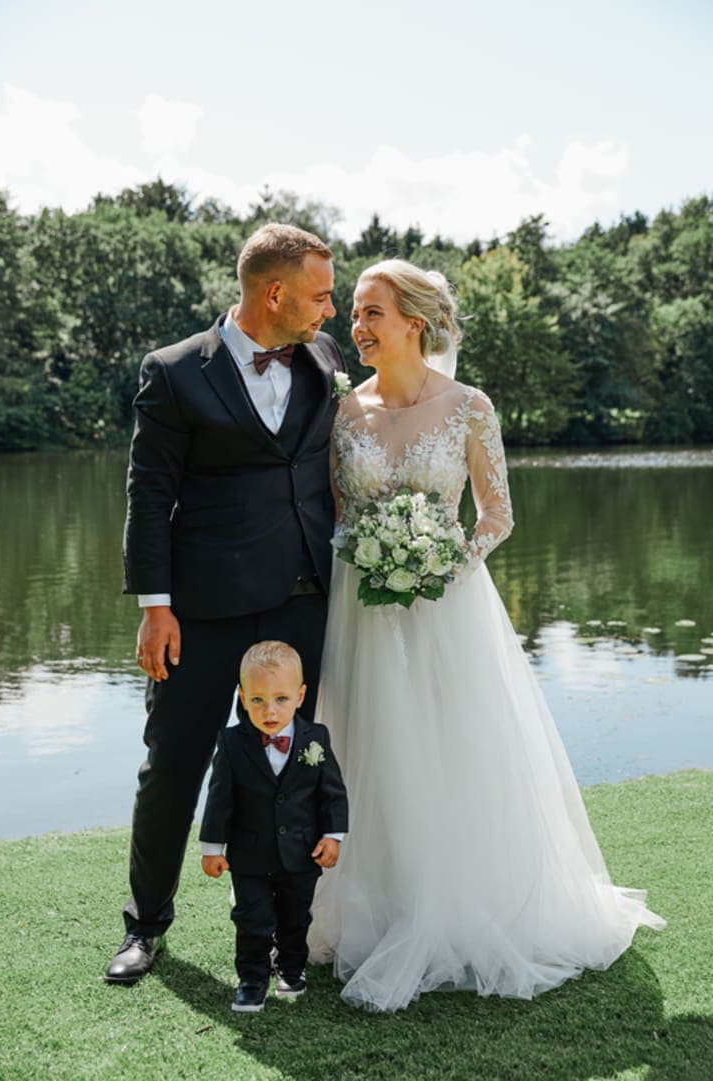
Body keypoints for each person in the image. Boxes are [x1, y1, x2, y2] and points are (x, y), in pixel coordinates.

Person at [308, 259, 665, 1012]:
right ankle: (375, 908)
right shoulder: (343, 412)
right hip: (361, 610)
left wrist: (442, 567)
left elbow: (496, 515)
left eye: (372, 312)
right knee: (369, 746)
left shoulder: (469, 406)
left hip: (448, 607)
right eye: (356, 312)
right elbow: (338, 513)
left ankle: (465, 904)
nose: (356, 326)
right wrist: (372, 556)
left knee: (453, 747)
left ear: (415, 321)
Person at [105, 224, 346, 985]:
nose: (331, 310)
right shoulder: (175, 371)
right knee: (173, 766)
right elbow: (149, 495)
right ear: (274, 294)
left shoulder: (325, 359)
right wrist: (156, 607)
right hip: (202, 612)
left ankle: (286, 931)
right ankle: (145, 924)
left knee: (297, 767)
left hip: (304, 602)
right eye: (319, 295)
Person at [200, 640, 348, 1012]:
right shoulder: (231, 743)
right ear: (242, 697)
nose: (270, 710)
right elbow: (219, 800)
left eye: (281, 699)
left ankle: (291, 970)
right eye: (258, 700)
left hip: (301, 852)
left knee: (296, 917)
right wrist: (212, 849)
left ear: (300, 696)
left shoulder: (316, 739)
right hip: (249, 856)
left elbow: (332, 793)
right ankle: (251, 980)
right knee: (252, 919)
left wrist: (332, 836)